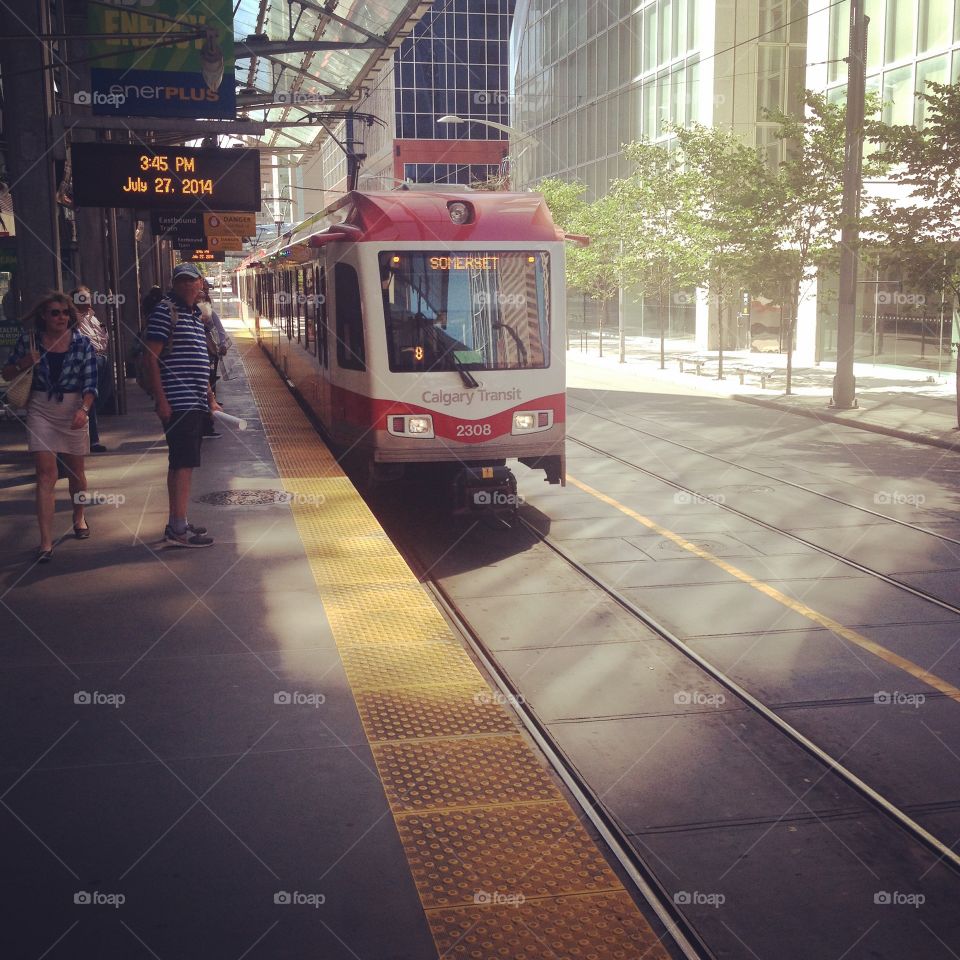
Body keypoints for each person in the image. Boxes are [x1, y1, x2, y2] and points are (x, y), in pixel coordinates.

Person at [2, 291, 97, 562]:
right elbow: (6, 373)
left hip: (73, 409)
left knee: (76, 472)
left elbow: (91, 384)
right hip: (40, 409)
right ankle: (45, 542)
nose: (61, 317)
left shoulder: (81, 344)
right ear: (44, 315)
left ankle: (79, 517)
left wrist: (84, 409)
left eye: (65, 313)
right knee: (46, 474)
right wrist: (24, 362)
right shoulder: (29, 342)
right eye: (55, 312)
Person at [143, 263, 219, 548]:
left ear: (200, 284)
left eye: (193, 281)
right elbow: (152, 357)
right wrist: (161, 400)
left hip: (194, 400)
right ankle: (177, 530)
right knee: (184, 464)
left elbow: (201, 359)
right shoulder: (166, 311)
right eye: (182, 281)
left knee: (179, 463)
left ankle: (179, 521)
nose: (189, 286)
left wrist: (210, 396)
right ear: (174, 285)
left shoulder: (194, 314)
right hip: (179, 401)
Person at [71, 286, 109, 452]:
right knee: (89, 398)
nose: (87, 301)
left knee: (102, 395)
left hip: (101, 358)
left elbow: (101, 336)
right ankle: (92, 440)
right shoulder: (73, 319)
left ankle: (90, 435)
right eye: (82, 298)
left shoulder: (92, 317)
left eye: (88, 297)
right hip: (88, 360)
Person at [199, 280, 228, 439]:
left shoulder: (208, 313)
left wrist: (222, 344)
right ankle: (206, 424)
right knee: (207, 384)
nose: (200, 301)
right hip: (205, 358)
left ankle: (207, 423)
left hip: (210, 355)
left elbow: (219, 330)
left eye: (203, 298)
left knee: (209, 382)